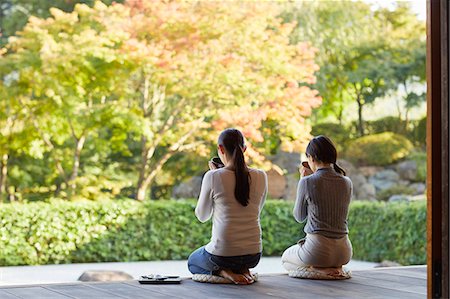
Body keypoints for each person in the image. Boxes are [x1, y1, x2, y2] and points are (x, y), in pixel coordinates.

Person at [188, 128, 268, 285]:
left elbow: (202, 216)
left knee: (193, 261)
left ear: (220, 149)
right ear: (244, 149)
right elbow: (257, 211)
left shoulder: (213, 176)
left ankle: (223, 271)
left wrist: (213, 178)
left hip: (222, 255)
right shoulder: (261, 176)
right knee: (238, 258)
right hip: (253, 255)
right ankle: (243, 269)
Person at [281, 135, 353, 276]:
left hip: (317, 251)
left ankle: (318, 269)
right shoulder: (347, 182)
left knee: (285, 260)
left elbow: (299, 216)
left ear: (311, 157)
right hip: (344, 252)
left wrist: (303, 180)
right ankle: (335, 268)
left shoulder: (307, 182)